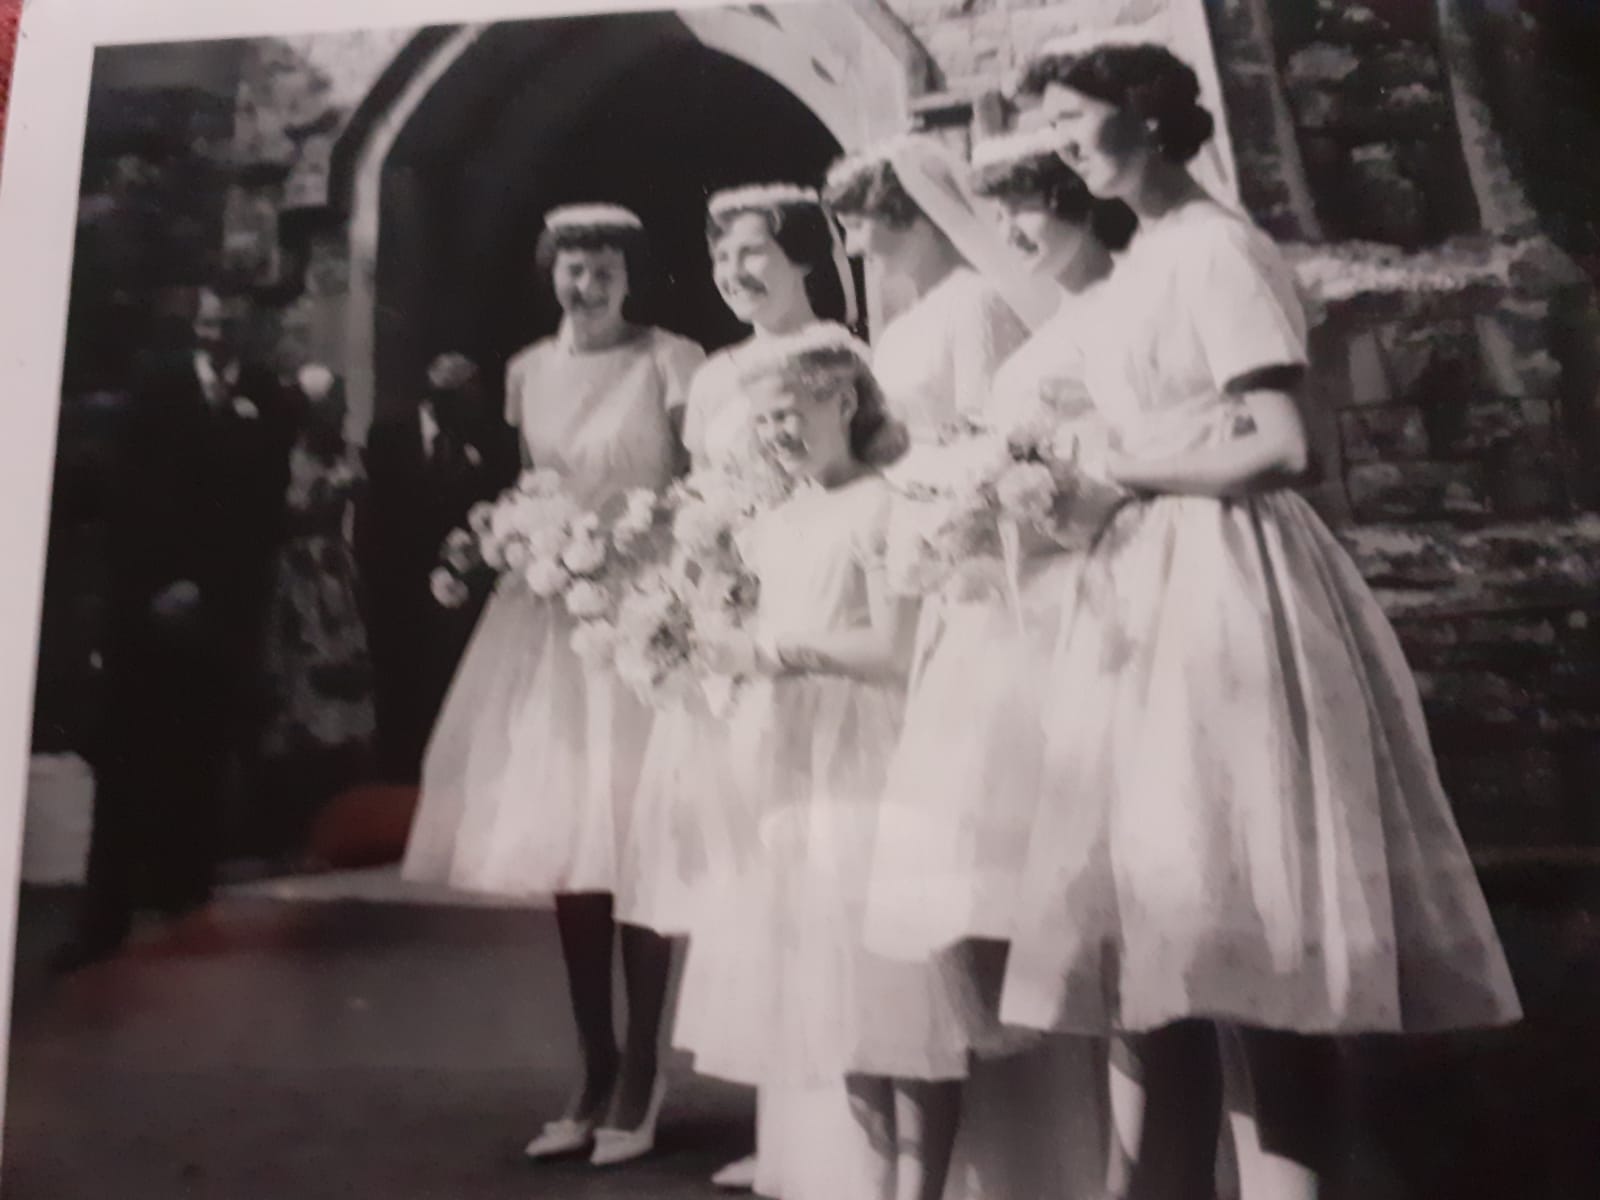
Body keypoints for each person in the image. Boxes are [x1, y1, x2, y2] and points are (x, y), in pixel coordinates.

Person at [998, 42, 1522, 1200]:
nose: (1064, 144)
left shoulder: (1220, 250)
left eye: (1078, 120)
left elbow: (1287, 445)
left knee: (1255, 957)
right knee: (1160, 953)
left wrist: (1126, 473)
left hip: (1225, 592)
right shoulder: (1137, 263)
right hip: (1141, 597)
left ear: (1146, 118)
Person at [863, 127, 1138, 1200]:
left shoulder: (1018, 318)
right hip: (992, 596)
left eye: (1032, 207)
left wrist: (986, 495)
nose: (1013, 234)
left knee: (1083, 904)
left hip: (1063, 611)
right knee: (997, 917)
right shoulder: (1024, 336)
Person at [401, 203, 706, 1168]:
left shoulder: (674, 360)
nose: (587, 285)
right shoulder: (527, 371)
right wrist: (503, 536)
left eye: (605, 269)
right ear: (551, 273)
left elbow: (698, 491)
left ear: (632, 276)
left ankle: (642, 1073)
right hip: (550, 624)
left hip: (641, 613)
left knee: (636, 842)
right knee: (572, 849)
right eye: (573, 269)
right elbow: (532, 484)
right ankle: (592, 1059)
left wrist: (633, 549)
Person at [681, 324, 989, 1200]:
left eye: (790, 414)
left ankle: (919, 1191)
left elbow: (893, 648)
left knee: (902, 988)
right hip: (790, 759)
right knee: (828, 985)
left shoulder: (891, 502)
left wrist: (771, 649)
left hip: (872, 759)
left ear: (845, 401)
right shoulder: (775, 518)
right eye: (765, 421)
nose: (776, 434)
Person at [613, 181, 851, 1194]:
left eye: (753, 254)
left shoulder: (843, 355)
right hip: (725, 639)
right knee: (744, 877)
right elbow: (694, 500)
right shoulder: (712, 378)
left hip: (803, 631)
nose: (734, 273)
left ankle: (839, 1118)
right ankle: (786, 1121)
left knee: (813, 870)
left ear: (803, 256)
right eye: (721, 260)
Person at [61, 286, 291, 969]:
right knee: (127, 762)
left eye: (235, 325)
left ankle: (185, 912)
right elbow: (135, 492)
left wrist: (215, 592)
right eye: (212, 322)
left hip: (221, 611)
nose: (221, 335)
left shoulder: (269, 399)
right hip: (150, 605)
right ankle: (102, 921)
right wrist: (164, 584)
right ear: (197, 325)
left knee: (200, 759)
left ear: (254, 331)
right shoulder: (157, 390)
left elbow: (260, 514)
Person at [358, 352, 509, 784]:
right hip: (396, 586)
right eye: (467, 397)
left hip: (450, 589)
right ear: (440, 398)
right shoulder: (389, 436)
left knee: (440, 688)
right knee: (396, 687)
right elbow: (379, 516)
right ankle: (392, 785)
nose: (475, 407)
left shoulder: (478, 444)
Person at [257, 363, 377, 869]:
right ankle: (288, 838)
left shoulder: (346, 454)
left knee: (343, 700)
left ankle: (337, 833)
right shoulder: (283, 455)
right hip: (297, 582)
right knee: (299, 705)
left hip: (336, 578)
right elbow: (277, 516)